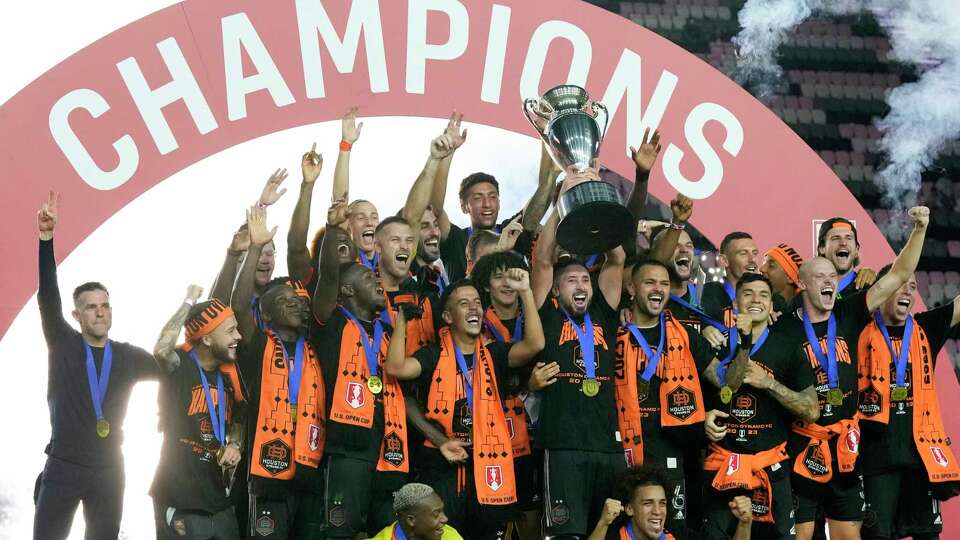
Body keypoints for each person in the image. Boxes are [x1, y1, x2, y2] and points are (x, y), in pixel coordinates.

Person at [781, 206, 929, 540]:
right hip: (803, 444)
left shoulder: (850, 309)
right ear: (803, 282)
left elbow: (898, 273)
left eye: (833, 278)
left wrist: (919, 229)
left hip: (846, 445)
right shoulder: (787, 322)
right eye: (821, 277)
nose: (829, 282)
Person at [33, 191, 160, 540]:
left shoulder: (129, 356)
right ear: (77, 315)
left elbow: (171, 366)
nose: (100, 311)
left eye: (105, 305)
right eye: (91, 307)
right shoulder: (63, 343)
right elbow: (47, 296)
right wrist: (46, 239)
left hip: (109, 470)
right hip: (63, 466)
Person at [386, 276, 545, 539]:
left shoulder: (495, 354)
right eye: (464, 303)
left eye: (477, 303)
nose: (474, 308)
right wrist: (402, 319)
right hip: (441, 463)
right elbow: (395, 368)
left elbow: (535, 344)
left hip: (488, 462)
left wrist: (526, 291)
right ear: (448, 316)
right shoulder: (432, 355)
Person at [529, 179, 627, 539]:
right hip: (563, 443)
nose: (581, 286)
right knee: (566, 534)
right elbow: (542, 260)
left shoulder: (603, 313)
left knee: (611, 531)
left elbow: (617, 257)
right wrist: (562, 204)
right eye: (571, 281)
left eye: (585, 279)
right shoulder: (548, 315)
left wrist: (595, 208)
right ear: (556, 289)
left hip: (608, 444)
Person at [311, 199, 411, 537]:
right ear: (348, 289)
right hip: (348, 448)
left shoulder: (387, 335)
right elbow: (327, 277)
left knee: (389, 532)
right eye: (370, 278)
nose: (378, 282)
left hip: (391, 449)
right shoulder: (333, 322)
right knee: (342, 533)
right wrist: (335, 230)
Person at [231, 206, 327, 539]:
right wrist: (255, 247)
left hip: (310, 470)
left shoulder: (317, 348)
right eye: (287, 298)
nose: (298, 303)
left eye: (301, 300)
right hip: (267, 470)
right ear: (267, 311)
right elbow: (240, 306)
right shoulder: (256, 345)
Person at [701, 274, 820, 539]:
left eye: (763, 295)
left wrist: (769, 383)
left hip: (771, 466)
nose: (756, 299)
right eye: (748, 293)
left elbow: (812, 411)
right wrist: (744, 341)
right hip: (723, 463)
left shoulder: (788, 348)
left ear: (770, 305)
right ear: (735, 302)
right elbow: (725, 388)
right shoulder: (715, 343)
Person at [614, 259, 725, 538]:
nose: (658, 289)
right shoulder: (613, 331)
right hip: (621, 448)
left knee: (672, 529)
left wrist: (745, 341)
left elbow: (724, 381)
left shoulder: (683, 333)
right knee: (618, 527)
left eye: (664, 283)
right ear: (631, 287)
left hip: (670, 450)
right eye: (650, 282)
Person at [858, 265, 960, 540]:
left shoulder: (926, 328)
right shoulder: (858, 329)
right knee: (876, 535)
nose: (908, 291)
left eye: (912, 286)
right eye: (900, 283)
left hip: (921, 459)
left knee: (927, 535)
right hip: (876, 459)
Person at [151, 288, 247, 540]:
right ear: (205, 339)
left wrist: (235, 444)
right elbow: (161, 350)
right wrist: (188, 301)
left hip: (218, 497)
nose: (238, 336)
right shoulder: (179, 364)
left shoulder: (229, 373)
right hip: (179, 495)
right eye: (230, 331)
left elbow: (239, 416)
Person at [429, 113, 555, 284]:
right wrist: (445, 157)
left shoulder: (510, 230)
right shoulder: (456, 239)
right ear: (464, 206)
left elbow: (543, 195)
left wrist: (545, 133)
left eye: (492, 196)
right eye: (478, 198)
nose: (487, 204)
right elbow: (435, 209)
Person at [472, 251, 540, 539]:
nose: (506, 283)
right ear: (486, 286)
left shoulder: (534, 318)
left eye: (512, 275)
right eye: (498, 276)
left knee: (530, 515)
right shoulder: (478, 327)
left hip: (535, 433)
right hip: (494, 434)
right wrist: (527, 388)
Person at [587, 465, 753, 540]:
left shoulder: (679, 535)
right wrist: (603, 524)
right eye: (647, 503)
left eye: (662, 503)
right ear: (629, 508)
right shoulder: (614, 537)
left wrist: (745, 523)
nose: (657, 511)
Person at [701, 232, 760, 328]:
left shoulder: (768, 297)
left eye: (754, 253)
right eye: (743, 253)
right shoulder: (712, 294)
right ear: (724, 261)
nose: (752, 259)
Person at [369, 483, 465, 540]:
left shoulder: (449, 535)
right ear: (411, 520)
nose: (445, 519)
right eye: (436, 515)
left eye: (442, 511)